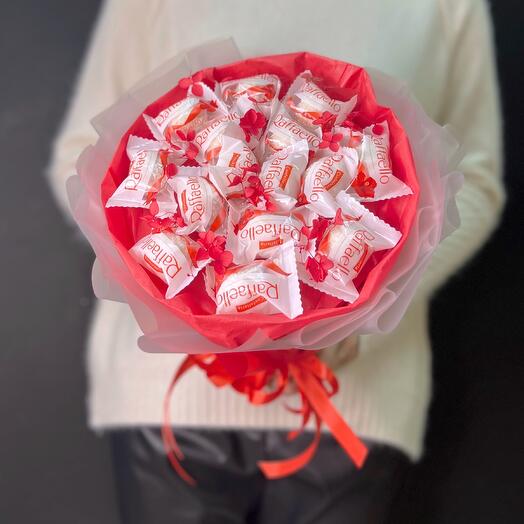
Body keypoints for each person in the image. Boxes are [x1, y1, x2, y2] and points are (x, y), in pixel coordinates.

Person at [47, 1, 504, 522]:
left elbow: (476, 179)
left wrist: (371, 309)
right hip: (168, 407)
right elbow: (82, 156)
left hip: (354, 406)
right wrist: (186, 309)